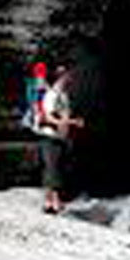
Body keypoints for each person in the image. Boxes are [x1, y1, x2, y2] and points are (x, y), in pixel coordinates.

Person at [37, 65, 84, 214]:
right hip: (50, 135)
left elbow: (62, 115)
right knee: (52, 168)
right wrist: (71, 122)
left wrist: (69, 124)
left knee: (57, 167)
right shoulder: (51, 95)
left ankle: (51, 202)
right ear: (59, 78)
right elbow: (49, 116)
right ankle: (52, 202)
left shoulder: (64, 95)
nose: (68, 78)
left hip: (60, 136)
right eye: (65, 76)